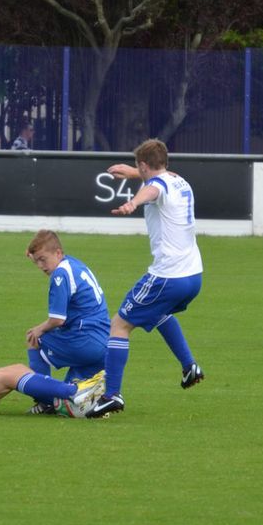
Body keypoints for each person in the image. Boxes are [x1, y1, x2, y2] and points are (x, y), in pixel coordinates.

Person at [86, 139, 204, 419]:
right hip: (194, 275)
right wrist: (133, 172)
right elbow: (159, 178)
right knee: (157, 313)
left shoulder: (157, 186)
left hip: (168, 275)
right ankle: (189, 366)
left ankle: (112, 395)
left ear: (143, 164)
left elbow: (153, 189)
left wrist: (133, 202)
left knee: (119, 324)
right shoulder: (180, 180)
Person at [24, 230, 110, 413]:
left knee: (34, 339)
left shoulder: (60, 275)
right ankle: (85, 396)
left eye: (42, 260)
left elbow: (57, 320)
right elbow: (47, 243)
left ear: (57, 253)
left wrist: (39, 329)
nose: (40, 266)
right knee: (66, 398)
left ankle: (44, 401)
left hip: (85, 341)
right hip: (105, 343)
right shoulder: (73, 263)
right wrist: (34, 253)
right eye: (36, 261)